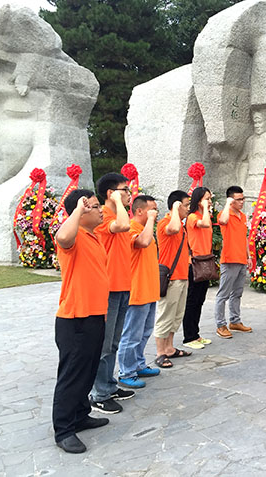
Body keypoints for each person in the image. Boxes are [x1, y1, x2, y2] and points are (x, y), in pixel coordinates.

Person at [52, 189, 109, 453]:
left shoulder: (93, 236)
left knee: (87, 371)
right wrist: (77, 209)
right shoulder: (72, 237)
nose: (100, 210)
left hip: (94, 315)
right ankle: (64, 430)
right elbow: (62, 237)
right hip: (75, 318)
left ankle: (80, 415)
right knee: (72, 375)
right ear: (81, 210)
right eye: (94, 206)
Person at [90, 173, 134, 415]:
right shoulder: (103, 216)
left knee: (114, 343)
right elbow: (124, 226)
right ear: (110, 193)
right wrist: (117, 202)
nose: (129, 194)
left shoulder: (117, 215)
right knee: (104, 345)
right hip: (108, 289)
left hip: (122, 286)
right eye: (124, 190)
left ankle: (108, 385)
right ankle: (98, 394)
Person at [117, 195, 161, 389]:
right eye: (152, 209)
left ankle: (138, 364)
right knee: (132, 335)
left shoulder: (146, 229)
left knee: (144, 332)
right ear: (139, 210)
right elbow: (142, 242)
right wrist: (150, 220)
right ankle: (126, 371)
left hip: (149, 290)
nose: (155, 213)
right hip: (137, 291)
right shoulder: (131, 229)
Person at [154, 190, 193, 368]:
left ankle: (169, 348)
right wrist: (176, 209)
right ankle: (160, 352)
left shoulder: (181, 225)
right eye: (185, 205)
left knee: (176, 315)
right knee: (165, 315)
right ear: (176, 205)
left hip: (182, 276)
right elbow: (173, 228)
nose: (188, 208)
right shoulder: (165, 223)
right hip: (171, 277)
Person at [215, 186, 253, 338]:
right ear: (231, 200)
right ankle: (220, 324)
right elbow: (222, 221)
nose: (242, 202)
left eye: (243, 199)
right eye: (238, 199)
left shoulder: (242, 216)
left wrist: (248, 256)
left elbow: (244, 237)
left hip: (241, 259)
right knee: (223, 294)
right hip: (229, 259)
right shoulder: (225, 214)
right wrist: (227, 204)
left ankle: (235, 321)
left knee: (237, 293)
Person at [183, 187, 214, 349]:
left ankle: (195, 334)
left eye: (210, 198)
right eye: (206, 198)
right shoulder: (193, 217)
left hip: (205, 262)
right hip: (194, 262)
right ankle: (188, 337)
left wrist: (206, 208)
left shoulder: (204, 215)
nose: (209, 201)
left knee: (200, 300)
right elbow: (205, 224)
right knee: (192, 300)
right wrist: (205, 208)